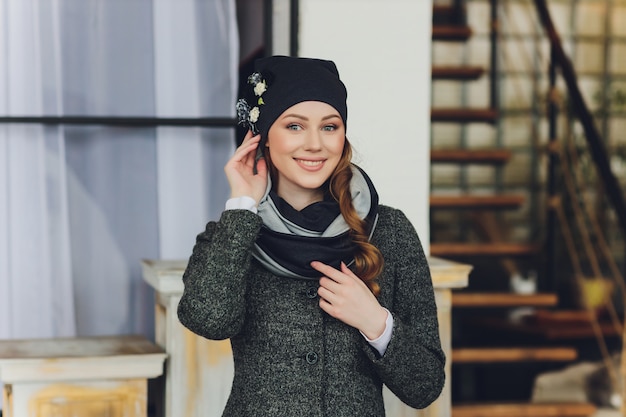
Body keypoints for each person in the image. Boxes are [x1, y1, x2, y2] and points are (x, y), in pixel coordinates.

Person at [177, 55, 445, 417]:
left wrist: (376, 323)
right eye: (294, 126)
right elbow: (208, 321)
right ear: (263, 137)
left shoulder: (390, 231)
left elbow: (426, 386)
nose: (315, 144)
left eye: (329, 126)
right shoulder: (232, 234)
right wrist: (242, 204)